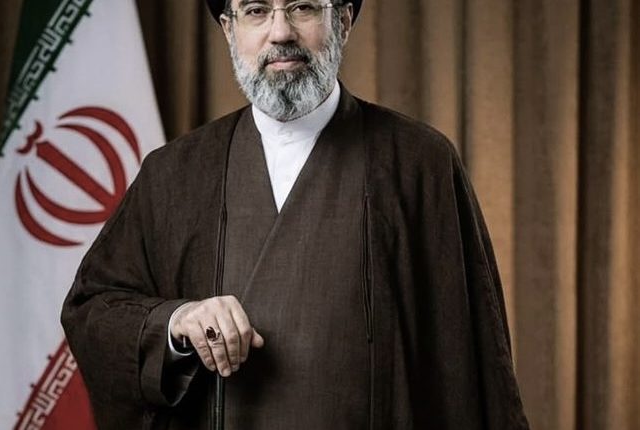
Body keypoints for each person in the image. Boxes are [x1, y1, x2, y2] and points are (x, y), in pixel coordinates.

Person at [61, 0, 531, 429]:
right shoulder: (174, 173)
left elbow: (470, 365)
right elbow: (92, 309)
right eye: (256, 11)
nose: (280, 32)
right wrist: (177, 321)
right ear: (228, 29)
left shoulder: (418, 164)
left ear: (342, 20)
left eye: (303, 7)